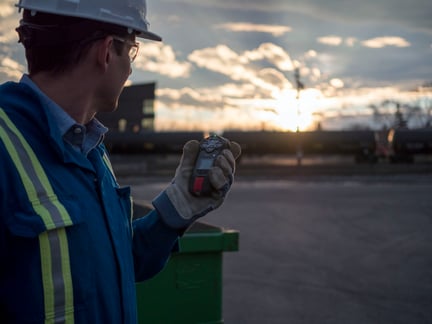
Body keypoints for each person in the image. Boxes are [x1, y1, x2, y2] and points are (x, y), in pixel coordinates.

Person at [0, 0, 241, 323]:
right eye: (131, 50)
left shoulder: (89, 147)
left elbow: (111, 266)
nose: (129, 68)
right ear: (107, 50)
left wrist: (175, 209)